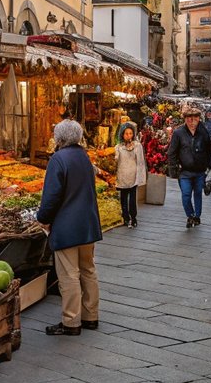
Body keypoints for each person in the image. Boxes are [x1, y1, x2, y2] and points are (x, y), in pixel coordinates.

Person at [36, 119, 102, 336]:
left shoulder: (58, 159)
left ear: (59, 138)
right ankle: (91, 316)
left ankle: (71, 321)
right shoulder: (84, 156)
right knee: (88, 269)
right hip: (88, 223)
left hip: (67, 225)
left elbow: (51, 196)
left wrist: (43, 217)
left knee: (69, 274)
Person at [167, 107, 211, 228]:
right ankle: (190, 215)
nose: (192, 122)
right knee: (186, 194)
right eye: (189, 119)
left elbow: (209, 150)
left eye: (195, 118)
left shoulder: (203, 132)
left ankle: (197, 216)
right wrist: (173, 168)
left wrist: (209, 167)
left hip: (200, 170)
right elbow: (172, 152)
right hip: (184, 171)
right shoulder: (178, 133)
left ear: (198, 119)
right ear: (185, 119)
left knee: (198, 193)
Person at [114, 122, 147, 229]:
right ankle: (125, 217)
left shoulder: (137, 146)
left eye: (130, 133)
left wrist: (140, 176)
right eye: (126, 133)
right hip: (122, 175)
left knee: (132, 198)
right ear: (122, 134)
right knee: (123, 198)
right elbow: (116, 160)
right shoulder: (118, 147)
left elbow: (140, 162)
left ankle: (133, 218)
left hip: (133, 175)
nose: (129, 136)